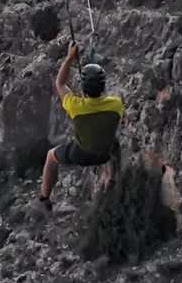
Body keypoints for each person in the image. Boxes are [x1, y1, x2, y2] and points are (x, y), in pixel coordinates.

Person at [39, 42, 123, 210]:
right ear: (103, 85)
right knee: (114, 143)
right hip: (104, 154)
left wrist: (70, 57)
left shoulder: (75, 106)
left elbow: (60, 83)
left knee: (50, 156)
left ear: (83, 87)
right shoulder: (116, 104)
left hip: (81, 154)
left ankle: (45, 197)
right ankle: (112, 180)